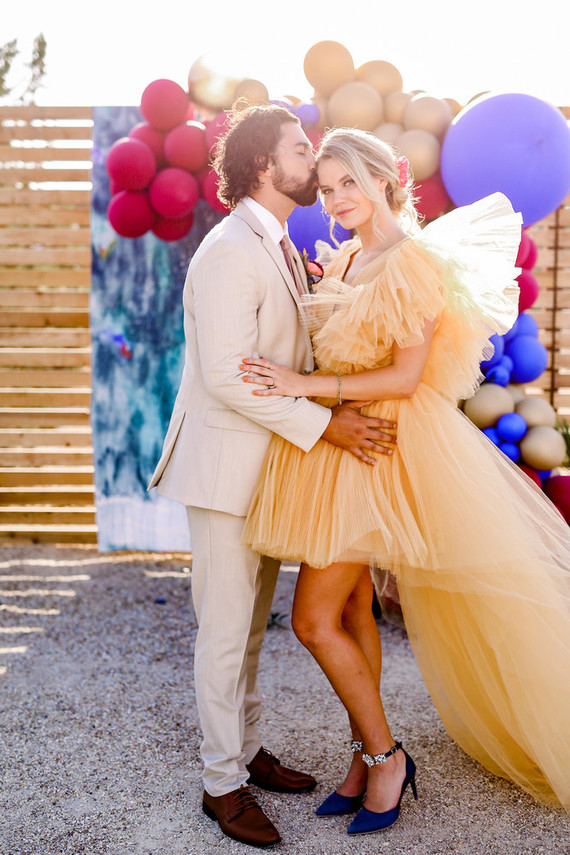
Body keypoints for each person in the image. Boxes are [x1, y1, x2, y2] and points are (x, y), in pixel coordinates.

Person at [241, 127, 570, 834]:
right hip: (338, 445)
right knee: (353, 611)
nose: (337, 199)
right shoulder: (349, 256)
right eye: (327, 189)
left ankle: (388, 756)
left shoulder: (411, 261)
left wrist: (303, 383)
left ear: (387, 177)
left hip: (384, 446)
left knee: (311, 619)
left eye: (349, 183)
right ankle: (366, 754)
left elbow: (404, 375)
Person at [148, 107, 396, 848]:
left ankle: (247, 749)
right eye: (299, 149)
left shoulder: (279, 242)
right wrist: (328, 425)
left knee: (249, 628)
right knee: (223, 633)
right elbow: (228, 375)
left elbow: (285, 353)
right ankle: (220, 783)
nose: (311, 160)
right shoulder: (230, 249)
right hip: (227, 468)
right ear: (263, 164)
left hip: (267, 472)